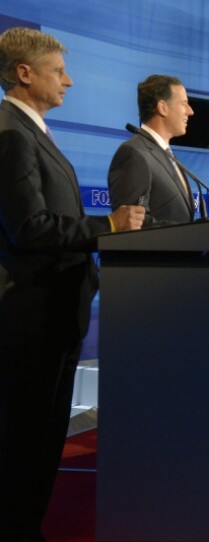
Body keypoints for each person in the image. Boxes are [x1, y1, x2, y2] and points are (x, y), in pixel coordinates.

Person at [0, 27, 144, 541]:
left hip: (55, 311)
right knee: (24, 443)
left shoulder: (30, 128)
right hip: (31, 316)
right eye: (59, 71)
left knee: (41, 441)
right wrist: (108, 226)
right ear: (24, 73)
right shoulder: (10, 132)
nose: (71, 81)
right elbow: (30, 228)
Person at [108, 74, 195, 225]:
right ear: (163, 107)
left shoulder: (166, 154)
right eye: (184, 104)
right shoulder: (133, 153)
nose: (190, 111)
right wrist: (189, 233)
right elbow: (133, 223)